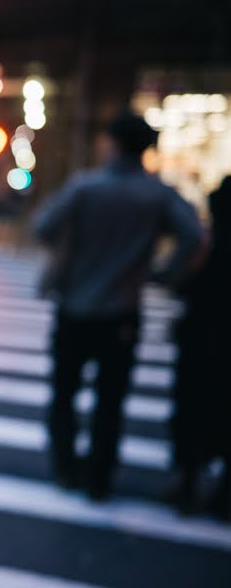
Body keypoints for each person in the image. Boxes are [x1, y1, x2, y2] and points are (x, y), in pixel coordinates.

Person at [33, 111, 204, 501]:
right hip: (123, 311)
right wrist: (163, 273)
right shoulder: (157, 193)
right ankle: (99, 479)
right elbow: (193, 236)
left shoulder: (85, 188)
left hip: (74, 306)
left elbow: (43, 227)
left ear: (112, 143)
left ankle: (64, 468)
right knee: (111, 401)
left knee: (64, 393)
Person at [170, 176, 231, 518]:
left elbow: (183, 286)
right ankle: (222, 493)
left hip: (201, 344)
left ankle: (188, 482)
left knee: (193, 412)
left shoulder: (208, 250)